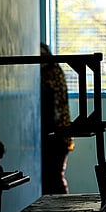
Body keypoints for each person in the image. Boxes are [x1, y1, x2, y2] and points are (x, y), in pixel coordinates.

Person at [41, 43, 75, 194]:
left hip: (58, 134)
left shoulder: (51, 74)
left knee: (53, 178)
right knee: (53, 177)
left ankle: (63, 210)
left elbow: (53, 107)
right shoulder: (55, 71)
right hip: (60, 134)